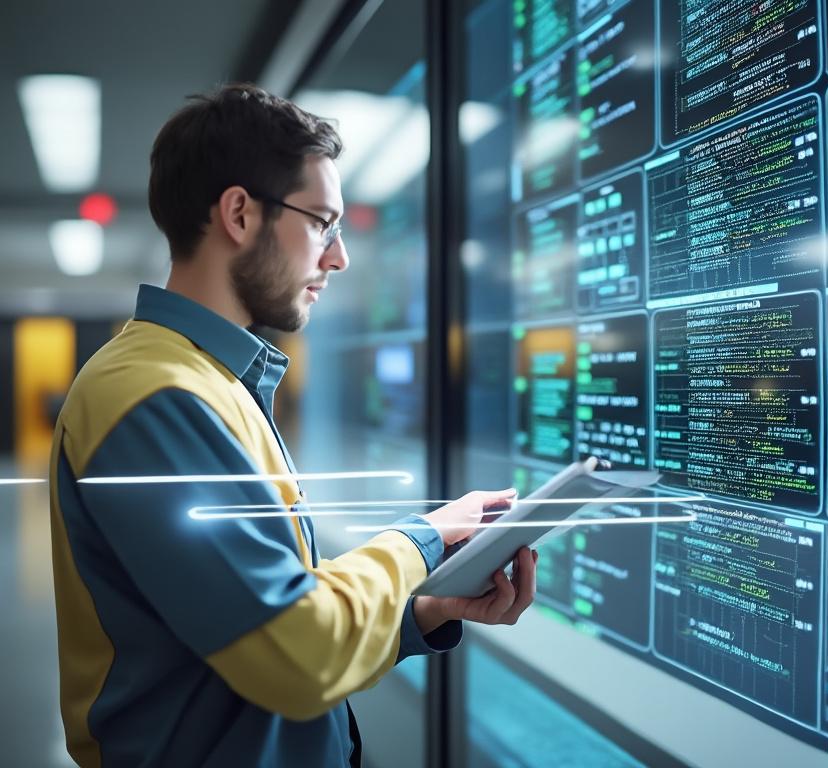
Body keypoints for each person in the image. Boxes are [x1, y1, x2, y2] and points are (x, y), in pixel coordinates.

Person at [48, 83, 537, 767]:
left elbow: (255, 630)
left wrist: (426, 610)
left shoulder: (207, 381)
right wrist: (422, 541)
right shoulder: (152, 396)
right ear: (241, 214)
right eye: (322, 224)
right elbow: (296, 654)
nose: (335, 257)